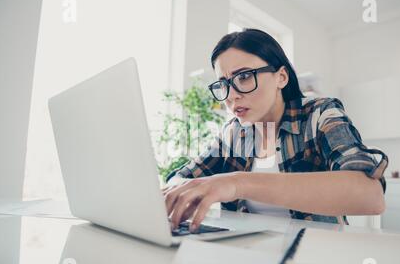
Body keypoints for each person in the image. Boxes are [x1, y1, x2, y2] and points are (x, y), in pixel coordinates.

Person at [163, 28, 388, 232]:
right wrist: (177, 193)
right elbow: (182, 179)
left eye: (243, 77)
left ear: (281, 77)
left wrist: (236, 183)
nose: (231, 96)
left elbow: (370, 195)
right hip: (248, 256)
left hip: (316, 255)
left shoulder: (319, 114)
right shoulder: (233, 133)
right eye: (224, 84)